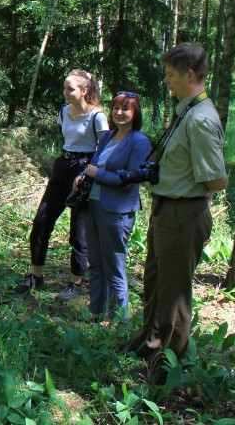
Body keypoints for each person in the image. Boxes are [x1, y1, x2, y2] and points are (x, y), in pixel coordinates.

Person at [128, 43, 227, 364]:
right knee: (156, 283)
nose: (166, 80)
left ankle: (168, 363)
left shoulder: (200, 119)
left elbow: (217, 181)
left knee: (175, 293)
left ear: (190, 74)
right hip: (167, 208)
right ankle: (148, 342)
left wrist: (184, 194)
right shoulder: (185, 109)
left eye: (170, 74)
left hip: (184, 212)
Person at [16, 69, 108, 300]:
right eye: (65, 88)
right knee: (41, 222)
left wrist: (86, 174)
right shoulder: (63, 112)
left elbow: (104, 150)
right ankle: (36, 275)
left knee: (78, 232)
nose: (65, 93)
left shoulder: (97, 116)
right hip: (63, 166)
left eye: (70, 89)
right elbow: (66, 139)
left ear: (84, 90)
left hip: (85, 169)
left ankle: (75, 283)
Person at [80, 91, 152, 323]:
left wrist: (98, 174)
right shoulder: (107, 137)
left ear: (135, 113)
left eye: (125, 109)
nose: (119, 113)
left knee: (114, 264)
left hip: (117, 211)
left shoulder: (139, 141)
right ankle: (96, 310)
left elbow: (129, 178)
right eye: (116, 108)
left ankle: (118, 317)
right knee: (96, 261)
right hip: (93, 204)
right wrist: (83, 176)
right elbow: (94, 165)